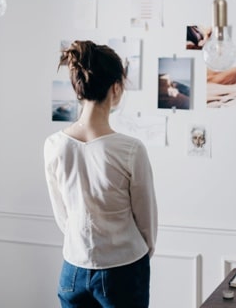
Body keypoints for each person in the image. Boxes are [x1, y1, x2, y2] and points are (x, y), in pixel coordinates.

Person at [44, 40, 158, 308]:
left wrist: (84, 247)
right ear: (116, 88)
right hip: (124, 268)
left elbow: (64, 216)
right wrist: (138, 256)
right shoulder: (130, 149)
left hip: (72, 269)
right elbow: (146, 222)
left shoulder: (53, 145)